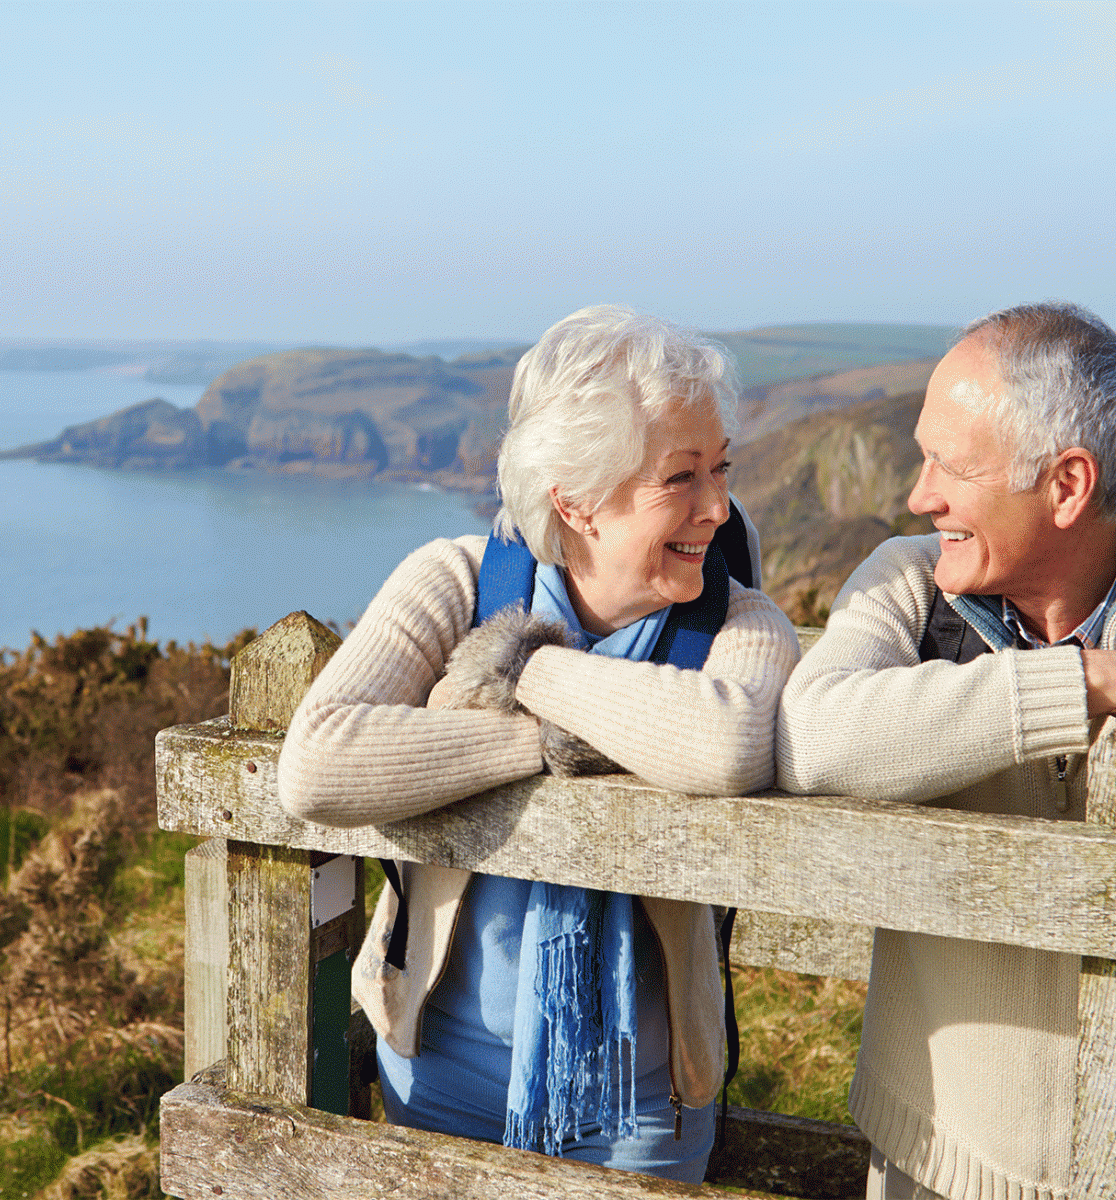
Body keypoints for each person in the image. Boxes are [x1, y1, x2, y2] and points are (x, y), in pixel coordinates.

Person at [776, 300, 1116, 1200]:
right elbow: (811, 738)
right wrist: (1079, 682)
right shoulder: (906, 588)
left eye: (950, 464)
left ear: (1066, 485)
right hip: (935, 1165)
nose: (919, 494)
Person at [277, 304, 800, 1183]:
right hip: (437, 1068)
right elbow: (316, 764)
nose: (719, 507)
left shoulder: (740, 622)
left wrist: (521, 673)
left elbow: (725, 745)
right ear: (576, 503)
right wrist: (550, 745)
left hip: (643, 1101)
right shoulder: (457, 578)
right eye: (681, 478)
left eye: (721, 468)